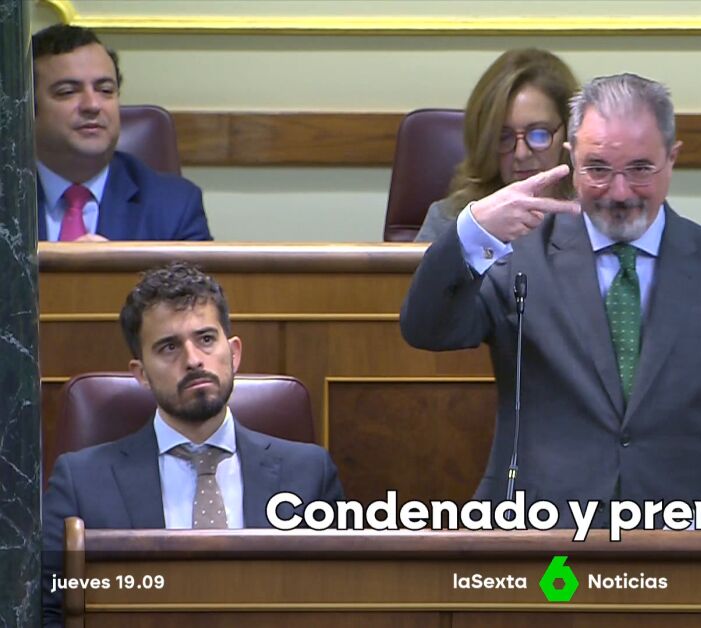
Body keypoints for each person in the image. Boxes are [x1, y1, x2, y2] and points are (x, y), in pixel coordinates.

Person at [401, 73, 701, 526]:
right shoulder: (518, 257)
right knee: (547, 574)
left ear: (672, 159)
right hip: (544, 543)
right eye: (597, 169)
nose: (619, 192)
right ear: (571, 159)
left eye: (640, 169)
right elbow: (427, 328)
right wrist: (472, 230)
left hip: (678, 545)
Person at [42, 262, 343, 625]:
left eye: (206, 339)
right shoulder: (82, 481)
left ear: (233, 353)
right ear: (142, 374)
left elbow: (338, 603)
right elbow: (49, 611)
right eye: (169, 347)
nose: (193, 360)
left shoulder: (309, 474)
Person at [32, 24, 212, 242]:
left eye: (105, 90)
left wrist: (116, 265)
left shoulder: (175, 206)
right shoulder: (9, 194)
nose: (92, 105)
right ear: (26, 107)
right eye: (68, 92)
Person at [414, 48, 578, 242]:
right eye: (503, 137)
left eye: (539, 134)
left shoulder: (595, 214)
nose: (521, 154)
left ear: (570, 130)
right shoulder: (453, 220)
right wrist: (474, 233)